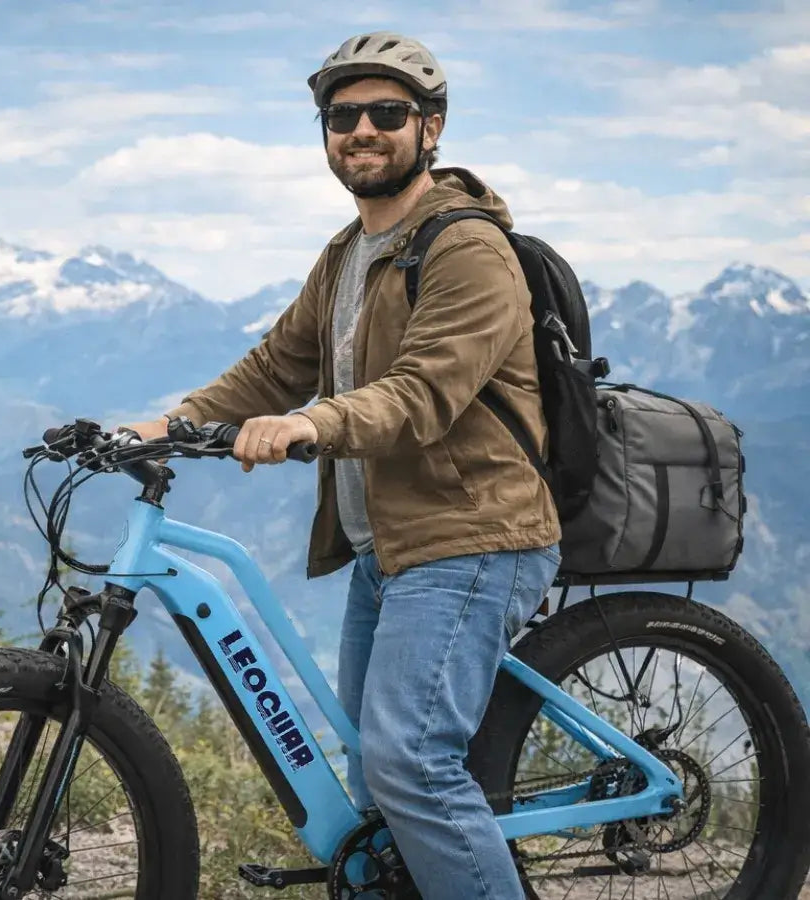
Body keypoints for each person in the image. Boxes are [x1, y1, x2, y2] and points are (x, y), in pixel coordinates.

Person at [119, 31, 560, 900]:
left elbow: (421, 393)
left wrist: (308, 426)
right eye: (342, 115)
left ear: (430, 128)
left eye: (386, 113)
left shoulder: (469, 249)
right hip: (384, 549)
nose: (361, 129)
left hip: (472, 539)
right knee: (374, 795)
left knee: (410, 768)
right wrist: (168, 424)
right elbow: (275, 365)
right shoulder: (347, 253)